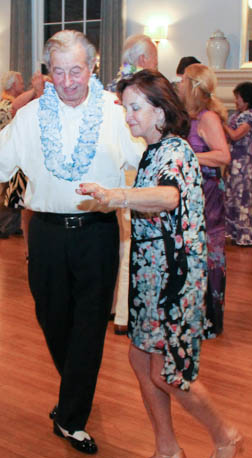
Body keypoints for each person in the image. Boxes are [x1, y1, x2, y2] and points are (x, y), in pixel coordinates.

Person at [0, 30, 145, 454]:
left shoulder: (116, 112)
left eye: (77, 70)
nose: (69, 80)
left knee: (90, 328)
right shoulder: (33, 115)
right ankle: (74, 395)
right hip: (46, 234)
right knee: (53, 320)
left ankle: (72, 418)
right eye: (59, 71)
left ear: (92, 66)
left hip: (97, 233)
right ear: (48, 72)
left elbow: (147, 152)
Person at [77, 70, 243, 458]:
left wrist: (118, 196)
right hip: (152, 271)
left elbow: (168, 196)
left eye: (135, 108)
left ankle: (226, 436)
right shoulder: (152, 151)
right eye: (125, 107)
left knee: (169, 371)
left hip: (175, 276)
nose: (128, 116)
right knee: (140, 357)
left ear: (160, 112)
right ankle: (168, 449)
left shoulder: (175, 150)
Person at [107, 34, 159, 336]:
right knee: (130, 244)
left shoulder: (111, 89)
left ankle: (112, 305)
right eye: (154, 60)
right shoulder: (139, 94)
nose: (156, 66)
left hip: (113, 175)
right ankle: (125, 314)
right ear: (142, 61)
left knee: (116, 243)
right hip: (133, 173)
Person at [179, 63, 230, 336]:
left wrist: (187, 157)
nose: (178, 84)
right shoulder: (189, 115)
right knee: (191, 252)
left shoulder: (208, 118)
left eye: (182, 80)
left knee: (208, 253)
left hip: (207, 195)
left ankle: (208, 317)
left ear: (192, 85)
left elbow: (223, 156)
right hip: (192, 193)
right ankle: (191, 314)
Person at [0, 71, 27, 238]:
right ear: (14, 85)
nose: (23, 85)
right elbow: (17, 108)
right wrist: (35, 91)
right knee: (11, 190)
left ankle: (11, 225)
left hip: (11, 154)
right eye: (21, 82)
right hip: (6, 155)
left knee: (15, 189)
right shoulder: (5, 105)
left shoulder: (7, 102)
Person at [224, 81, 252, 246]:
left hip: (242, 165)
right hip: (232, 163)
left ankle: (245, 235)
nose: (236, 101)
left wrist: (221, 123)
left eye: (238, 98)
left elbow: (235, 135)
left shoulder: (250, 117)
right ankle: (233, 232)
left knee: (241, 197)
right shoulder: (236, 116)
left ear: (246, 99)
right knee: (230, 196)